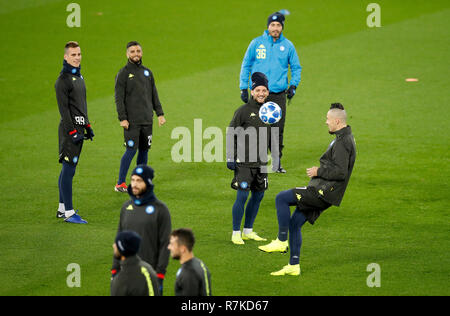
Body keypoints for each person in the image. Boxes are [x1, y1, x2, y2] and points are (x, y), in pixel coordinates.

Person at [259, 103, 356, 276]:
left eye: (327, 119)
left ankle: (281, 241)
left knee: (281, 198)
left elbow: (341, 172)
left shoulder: (343, 142)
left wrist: (318, 171)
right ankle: (293, 266)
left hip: (323, 192)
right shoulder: (344, 137)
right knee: (295, 223)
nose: (326, 122)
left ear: (337, 120)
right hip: (324, 190)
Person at [239, 12, 302, 173]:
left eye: (278, 25)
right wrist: (243, 87)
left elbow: (296, 67)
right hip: (258, 94)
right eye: (273, 25)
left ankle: (276, 162)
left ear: (282, 27)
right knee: (254, 127)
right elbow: (246, 64)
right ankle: (253, 160)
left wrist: (293, 85)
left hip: (278, 95)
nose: (275, 28)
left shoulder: (288, 46)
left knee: (277, 129)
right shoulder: (256, 43)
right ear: (268, 26)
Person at [226, 72, 273, 245]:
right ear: (252, 92)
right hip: (244, 162)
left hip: (261, 162)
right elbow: (231, 133)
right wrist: (230, 156)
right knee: (242, 197)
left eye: (264, 90)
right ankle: (236, 232)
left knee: (258, 196)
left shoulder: (270, 110)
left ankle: (248, 231)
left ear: (268, 92)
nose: (261, 93)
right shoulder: (243, 111)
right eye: (258, 90)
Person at [114, 41, 166, 193]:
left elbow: (153, 94)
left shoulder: (147, 72)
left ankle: (139, 181)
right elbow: (119, 98)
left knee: (144, 151)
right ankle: (120, 183)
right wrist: (122, 118)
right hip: (132, 122)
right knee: (131, 151)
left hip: (147, 120)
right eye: (132, 51)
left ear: (141, 53)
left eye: (138, 51)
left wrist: (160, 114)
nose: (135, 54)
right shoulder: (123, 74)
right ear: (127, 54)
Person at [112, 164, 172, 294]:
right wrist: (114, 269)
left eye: (139, 181)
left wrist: (160, 274)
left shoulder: (160, 209)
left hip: (150, 275)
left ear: (148, 182)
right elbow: (118, 239)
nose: (134, 184)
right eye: (133, 180)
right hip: (125, 273)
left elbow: (165, 244)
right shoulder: (126, 207)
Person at [55, 41, 94, 224]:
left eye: (79, 54)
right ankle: (70, 213)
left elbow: (80, 107)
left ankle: (62, 209)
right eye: (73, 55)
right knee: (69, 169)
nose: (77, 58)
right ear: (65, 57)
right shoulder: (62, 81)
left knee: (68, 169)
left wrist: (87, 126)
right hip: (70, 130)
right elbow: (64, 111)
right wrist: (72, 131)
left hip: (78, 128)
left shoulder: (79, 77)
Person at [111, 231, 161, 296]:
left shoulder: (120, 280)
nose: (113, 246)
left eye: (116, 244)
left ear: (121, 248)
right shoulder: (148, 268)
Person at [168, 228, 212, 296]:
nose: (169, 247)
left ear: (183, 249)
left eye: (172, 244)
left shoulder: (188, 274)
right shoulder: (199, 263)